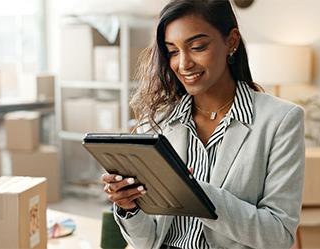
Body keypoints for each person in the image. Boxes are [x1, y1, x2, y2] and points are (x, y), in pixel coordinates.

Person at [101, 0, 305, 248]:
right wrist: (129, 207)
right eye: (173, 51)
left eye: (197, 47)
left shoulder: (281, 120)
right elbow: (146, 242)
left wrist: (195, 194)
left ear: (231, 41)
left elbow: (278, 235)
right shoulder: (157, 120)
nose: (184, 63)